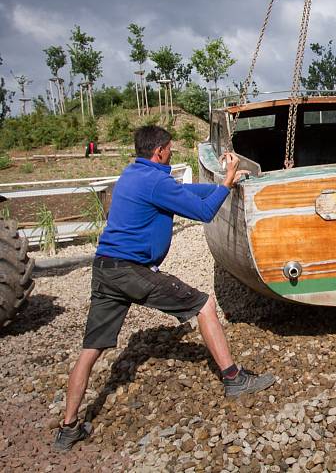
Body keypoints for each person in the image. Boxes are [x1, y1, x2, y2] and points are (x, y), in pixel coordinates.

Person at [54, 125, 276, 452]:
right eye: (170, 149)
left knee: (91, 350)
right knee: (204, 306)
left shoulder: (134, 174)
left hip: (105, 269)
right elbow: (203, 211)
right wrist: (227, 180)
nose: (172, 153)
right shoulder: (156, 181)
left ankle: (68, 427)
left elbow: (189, 196)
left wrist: (226, 184)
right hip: (132, 271)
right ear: (159, 151)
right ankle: (234, 379)